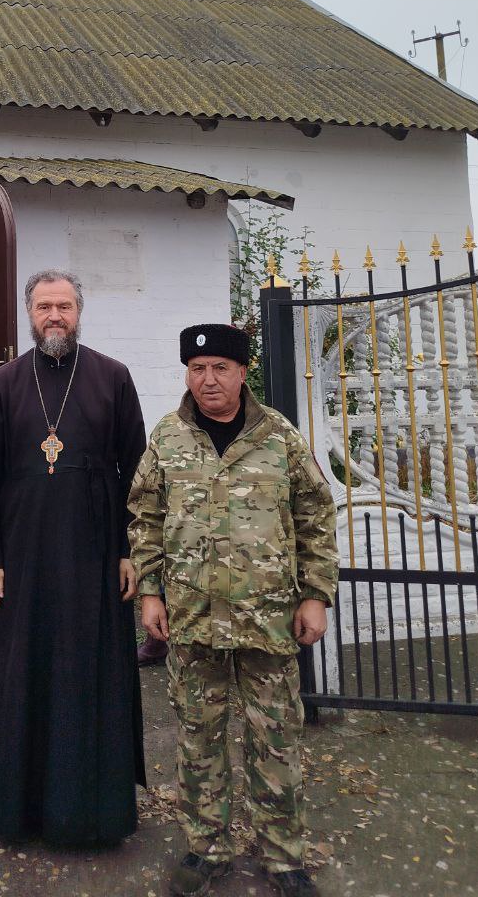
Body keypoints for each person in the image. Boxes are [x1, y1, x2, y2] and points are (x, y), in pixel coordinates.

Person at [127, 323, 338, 897]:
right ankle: (208, 847)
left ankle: (282, 855)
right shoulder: (168, 438)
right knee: (199, 739)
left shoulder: (279, 437)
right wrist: (149, 591)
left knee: (275, 740)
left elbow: (317, 518)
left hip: (267, 622)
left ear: (243, 373)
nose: (208, 379)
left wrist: (315, 595)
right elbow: (144, 520)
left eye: (220, 367)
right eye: (197, 369)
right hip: (193, 621)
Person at [0, 269, 147, 847]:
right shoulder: (5, 382)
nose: (55, 315)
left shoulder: (113, 378)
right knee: (22, 674)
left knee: (88, 673)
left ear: (79, 312)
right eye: (45, 305)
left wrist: (129, 550)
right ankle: (18, 811)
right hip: (21, 557)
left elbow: (138, 474)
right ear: (30, 313)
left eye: (65, 306)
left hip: (94, 555)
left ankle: (91, 814)